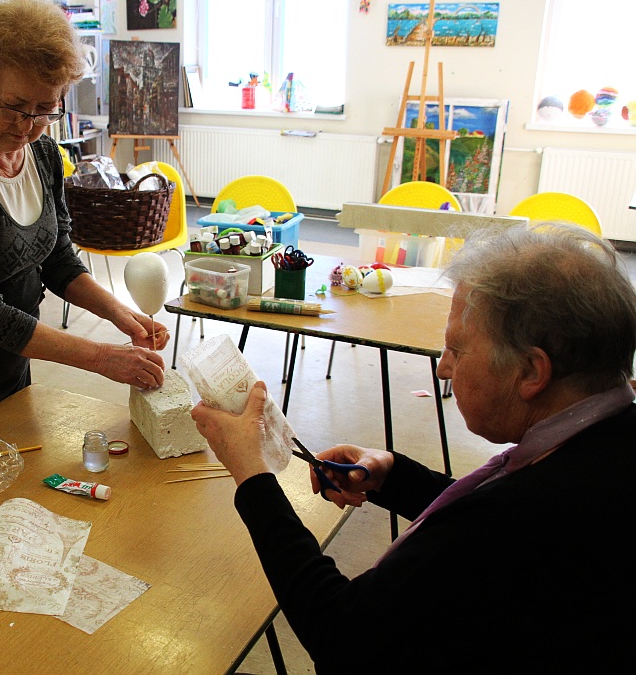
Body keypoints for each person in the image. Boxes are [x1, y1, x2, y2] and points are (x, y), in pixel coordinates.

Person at [191, 223, 636, 672]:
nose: (443, 370)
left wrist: (253, 477)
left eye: (457, 351)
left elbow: (342, 633)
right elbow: (487, 512)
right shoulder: (602, 443)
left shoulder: (533, 517)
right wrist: (396, 476)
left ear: (531, 371)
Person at [0, 0, 169, 433]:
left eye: (45, 109)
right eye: (15, 106)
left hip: (15, 348)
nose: (27, 126)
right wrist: (100, 357)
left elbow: (57, 259)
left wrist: (119, 313)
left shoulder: (40, 151)